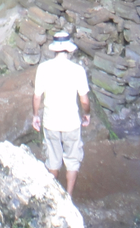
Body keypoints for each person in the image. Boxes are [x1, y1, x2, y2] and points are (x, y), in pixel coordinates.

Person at [32, 30, 91, 198]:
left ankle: (52, 198)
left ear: (54, 50)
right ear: (69, 49)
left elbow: (37, 96)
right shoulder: (77, 70)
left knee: (53, 160)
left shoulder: (43, 68)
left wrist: (36, 116)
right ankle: (68, 197)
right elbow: (84, 100)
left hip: (50, 123)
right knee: (72, 160)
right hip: (71, 123)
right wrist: (87, 114)